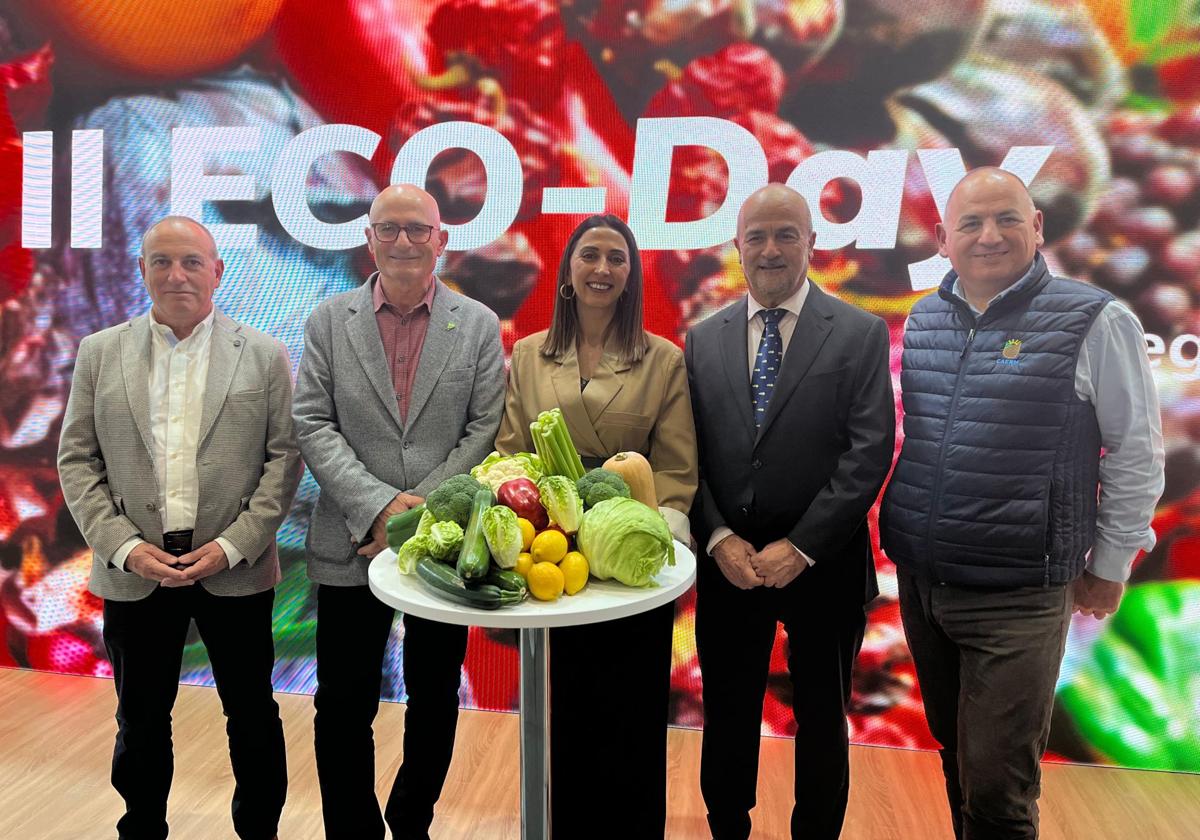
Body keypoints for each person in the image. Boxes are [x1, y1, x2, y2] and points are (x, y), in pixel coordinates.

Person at [881, 167, 1164, 840]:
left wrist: (1114, 561)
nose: (989, 235)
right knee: (958, 762)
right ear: (944, 241)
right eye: (970, 223)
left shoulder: (1095, 319)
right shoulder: (923, 319)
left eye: (1007, 218)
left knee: (1000, 791)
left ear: (1037, 226)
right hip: (924, 583)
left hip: (1020, 592)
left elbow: (1135, 451)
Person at [57, 216, 302, 840]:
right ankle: (141, 827)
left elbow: (284, 460)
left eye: (192, 261)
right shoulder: (99, 352)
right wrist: (123, 548)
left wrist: (232, 546)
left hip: (234, 570)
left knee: (251, 715)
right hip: (136, 573)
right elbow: (77, 459)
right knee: (139, 719)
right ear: (142, 271)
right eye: (161, 261)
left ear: (218, 271)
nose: (176, 274)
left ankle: (260, 832)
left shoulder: (266, 354)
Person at [293, 184, 505, 840]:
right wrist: (380, 508)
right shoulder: (328, 321)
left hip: (440, 546)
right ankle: (352, 831)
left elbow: (485, 429)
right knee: (342, 704)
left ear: (442, 240)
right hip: (351, 540)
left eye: (420, 229)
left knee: (435, 698)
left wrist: (418, 518)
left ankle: (411, 821)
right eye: (390, 228)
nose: (406, 240)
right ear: (370, 240)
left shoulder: (477, 325)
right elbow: (312, 423)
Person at [685, 183, 894, 840]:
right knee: (728, 715)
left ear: (813, 242)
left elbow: (870, 448)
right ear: (737, 246)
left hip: (823, 564)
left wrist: (800, 545)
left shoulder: (859, 333)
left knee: (823, 719)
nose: (771, 249)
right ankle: (726, 829)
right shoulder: (701, 338)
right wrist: (718, 536)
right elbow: (683, 451)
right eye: (757, 236)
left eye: (786, 235)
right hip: (730, 565)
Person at [494, 213, 697, 838]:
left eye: (616, 258)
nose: (602, 269)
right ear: (568, 270)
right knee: (571, 709)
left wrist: (653, 542)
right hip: (558, 558)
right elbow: (507, 453)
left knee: (633, 710)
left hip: (628, 560)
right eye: (590, 256)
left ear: (632, 274)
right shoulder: (528, 354)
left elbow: (677, 469)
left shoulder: (663, 358)